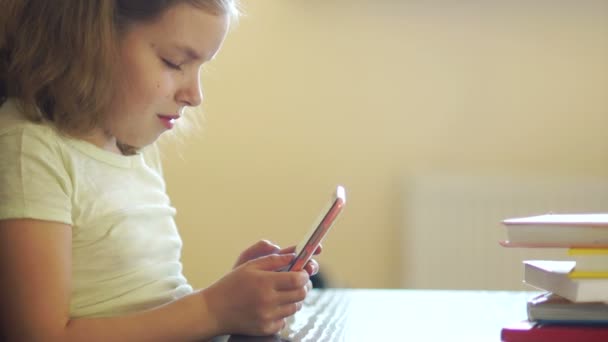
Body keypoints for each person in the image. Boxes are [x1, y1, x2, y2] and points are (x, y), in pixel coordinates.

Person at [0, 1, 321, 341]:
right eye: (175, 62)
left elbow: (145, 303)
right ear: (90, 40)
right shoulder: (29, 151)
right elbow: (38, 335)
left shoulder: (131, 150)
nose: (195, 95)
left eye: (201, 67)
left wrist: (233, 296)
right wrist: (213, 309)